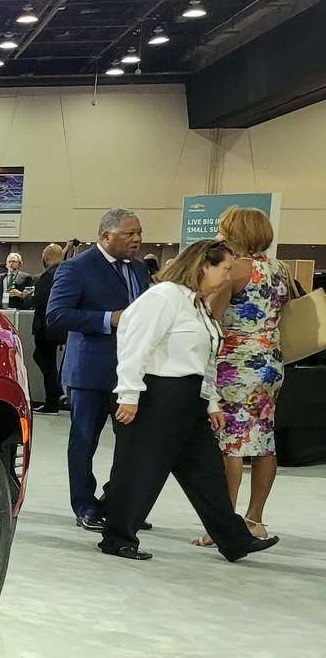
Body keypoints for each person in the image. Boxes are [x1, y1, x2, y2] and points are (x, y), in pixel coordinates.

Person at [97, 239, 279, 563]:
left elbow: (206, 357)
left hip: (189, 398)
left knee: (207, 472)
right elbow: (134, 345)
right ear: (204, 266)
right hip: (155, 393)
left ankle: (234, 540)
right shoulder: (164, 297)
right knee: (139, 470)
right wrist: (128, 394)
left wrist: (210, 404)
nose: (227, 277)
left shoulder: (197, 304)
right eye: (224, 269)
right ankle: (117, 538)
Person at [45, 208, 147, 529]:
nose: (137, 239)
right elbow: (57, 315)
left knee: (133, 444)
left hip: (131, 372)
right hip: (90, 371)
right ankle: (85, 506)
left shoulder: (140, 269)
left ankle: (115, 503)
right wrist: (108, 319)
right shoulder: (76, 268)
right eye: (129, 233)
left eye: (139, 233)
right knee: (84, 440)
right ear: (106, 236)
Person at [204, 206, 290, 544]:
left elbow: (213, 313)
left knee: (233, 442)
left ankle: (225, 524)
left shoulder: (237, 269)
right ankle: (255, 518)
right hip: (271, 358)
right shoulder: (278, 268)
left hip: (237, 362)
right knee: (263, 439)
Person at [29, 242, 66, 412]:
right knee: (46, 360)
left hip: (45, 327)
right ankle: (54, 398)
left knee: (44, 360)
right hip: (61, 326)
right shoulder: (66, 273)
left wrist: (26, 297)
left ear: (45, 257)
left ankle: (55, 395)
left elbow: (41, 300)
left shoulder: (47, 275)